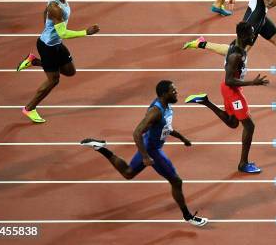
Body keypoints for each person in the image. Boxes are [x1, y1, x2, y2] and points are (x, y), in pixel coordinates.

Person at [80, 80, 208, 227]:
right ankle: (188, 216)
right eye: (173, 91)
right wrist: (146, 156)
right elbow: (136, 133)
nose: (176, 93)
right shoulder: (156, 111)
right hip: (152, 150)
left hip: (150, 145)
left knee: (128, 173)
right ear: (164, 94)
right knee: (176, 181)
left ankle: (100, 147)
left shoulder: (167, 107)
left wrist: (181, 137)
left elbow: (166, 127)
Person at [185, 22, 268, 174]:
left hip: (230, 89)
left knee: (232, 123)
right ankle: (243, 164)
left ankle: (205, 101)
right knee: (249, 126)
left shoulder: (238, 45)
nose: (253, 36)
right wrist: (253, 82)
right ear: (243, 36)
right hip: (232, 90)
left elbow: (224, 49)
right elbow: (229, 79)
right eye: (251, 33)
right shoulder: (236, 55)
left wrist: (204, 44)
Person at [16, 0, 100, 123]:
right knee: (53, 80)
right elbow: (63, 33)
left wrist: (46, 28)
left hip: (56, 44)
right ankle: (29, 108)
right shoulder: (55, 8)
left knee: (70, 71)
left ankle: (34, 61)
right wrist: (86, 32)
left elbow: (45, 13)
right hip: (48, 47)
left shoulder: (59, 0)